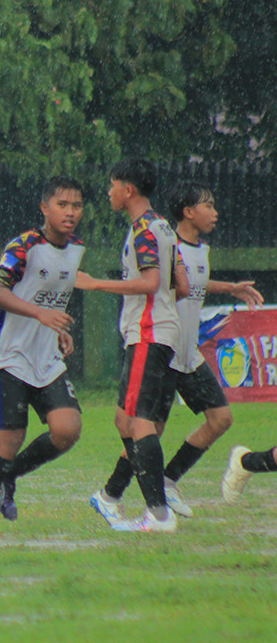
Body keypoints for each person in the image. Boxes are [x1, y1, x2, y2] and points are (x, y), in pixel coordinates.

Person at [88, 181, 262, 519]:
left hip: (188, 355)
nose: (214, 212)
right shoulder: (166, 241)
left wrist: (228, 288)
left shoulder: (198, 248)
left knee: (221, 418)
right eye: (207, 206)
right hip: (164, 352)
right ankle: (112, 493)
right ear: (188, 212)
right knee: (146, 429)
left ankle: (166, 481)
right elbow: (169, 284)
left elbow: (193, 283)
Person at [0, 176, 86, 548]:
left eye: (76, 206)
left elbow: (55, 297)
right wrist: (39, 315)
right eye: (62, 204)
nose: (70, 212)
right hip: (9, 356)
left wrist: (58, 327)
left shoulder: (76, 249)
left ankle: (9, 475)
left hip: (46, 357)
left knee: (67, 430)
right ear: (45, 208)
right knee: (8, 442)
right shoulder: (24, 245)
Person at [76, 158, 189, 533]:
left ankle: (159, 513)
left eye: (112, 185)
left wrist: (95, 284)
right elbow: (182, 287)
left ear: (128, 190)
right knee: (126, 420)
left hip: (148, 332)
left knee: (138, 423)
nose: (108, 192)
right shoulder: (165, 229)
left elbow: (150, 283)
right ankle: (112, 496)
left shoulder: (144, 230)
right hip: (162, 333)